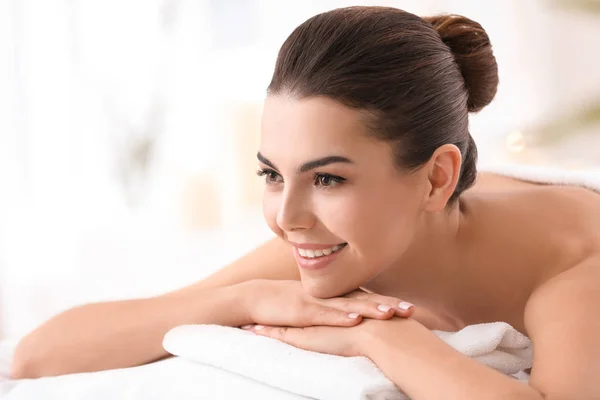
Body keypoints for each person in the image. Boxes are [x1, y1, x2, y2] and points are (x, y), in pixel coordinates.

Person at [11, 6, 600, 399]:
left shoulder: (576, 270)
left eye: (327, 180)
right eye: (272, 174)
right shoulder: (332, 244)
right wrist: (243, 297)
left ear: (435, 179)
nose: (285, 220)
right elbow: (37, 357)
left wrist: (379, 336)